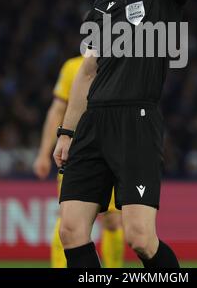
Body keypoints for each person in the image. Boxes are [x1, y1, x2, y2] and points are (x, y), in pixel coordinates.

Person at [53, 0, 192, 268]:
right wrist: (66, 131)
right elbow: (88, 71)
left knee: (140, 238)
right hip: (93, 123)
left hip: (136, 120)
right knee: (71, 230)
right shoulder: (103, 3)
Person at [33, 56, 124, 268]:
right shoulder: (73, 67)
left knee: (112, 221)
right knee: (67, 219)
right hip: (77, 153)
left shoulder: (121, 63)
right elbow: (56, 110)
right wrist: (43, 152)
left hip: (112, 151)